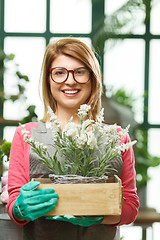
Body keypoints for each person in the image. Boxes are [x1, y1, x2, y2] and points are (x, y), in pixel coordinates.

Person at [7, 38, 139, 240]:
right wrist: (19, 209)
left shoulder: (118, 137)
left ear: (92, 78)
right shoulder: (26, 135)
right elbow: (14, 202)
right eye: (59, 72)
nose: (70, 81)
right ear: (48, 79)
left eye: (80, 71)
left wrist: (101, 216)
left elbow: (130, 205)